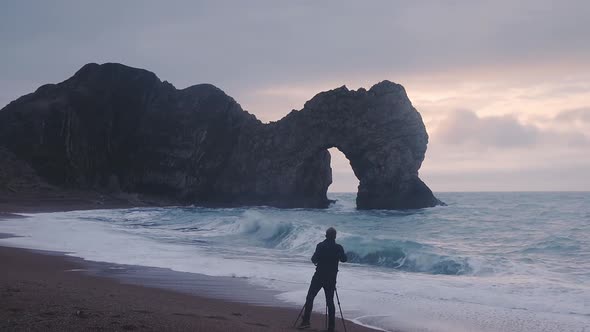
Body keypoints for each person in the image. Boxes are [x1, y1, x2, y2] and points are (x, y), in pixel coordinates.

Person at [299, 227, 347, 331]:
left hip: (319, 276)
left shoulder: (320, 246)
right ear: (335, 236)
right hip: (331, 278)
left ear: (326, 235)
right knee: (330, 302)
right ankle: (331, 327)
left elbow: (313, 259)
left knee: (310, 297)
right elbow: (344, 259)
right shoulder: (338, 247)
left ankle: (306, 321)